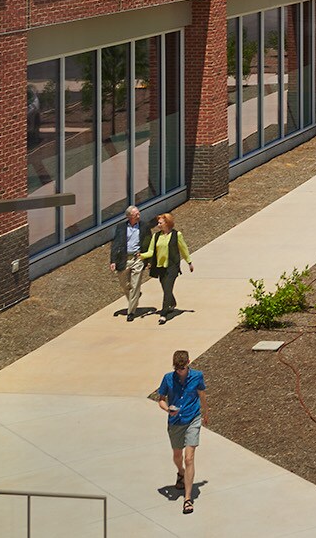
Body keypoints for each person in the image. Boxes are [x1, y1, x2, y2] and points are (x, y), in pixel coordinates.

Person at [152, 347, 205, 513]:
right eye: (176, 368)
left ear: (188, 364)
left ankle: (188, 499)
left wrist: (206, 413)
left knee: (189, 458)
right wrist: (168, 409)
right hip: (175, 421)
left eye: (182, 368)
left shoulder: (197, 376)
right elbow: (160, 399)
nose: (179, 371)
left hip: (193, 419)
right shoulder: (168, 379)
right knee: (177, 456)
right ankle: (181, 473)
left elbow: (202, 395)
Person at [146, 213, 195, 322]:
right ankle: (172, 302)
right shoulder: (156, 236)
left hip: (172, 266)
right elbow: (151, 251)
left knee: (167, 289)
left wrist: (189, 262)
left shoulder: (177, 235)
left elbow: (183, 249)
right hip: (160, 267)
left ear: (167, 223)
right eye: (158, 223)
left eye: (160, 223)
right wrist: (141, 256)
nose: (158, 225)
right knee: (165, 288)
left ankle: (164, 314)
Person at [108, 205, 148, 320]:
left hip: (138, 259)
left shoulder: (144, 226)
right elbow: (115, 244)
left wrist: (148, 259)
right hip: (124, 259)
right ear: (129, 216)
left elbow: (148, 242)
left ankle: (131, 312)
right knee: (124, 285)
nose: (139, 215)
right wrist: (113, 261)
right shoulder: (121, 227)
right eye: (136, 214)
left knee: (135, 285)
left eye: (139, 213)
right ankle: (134, 297)